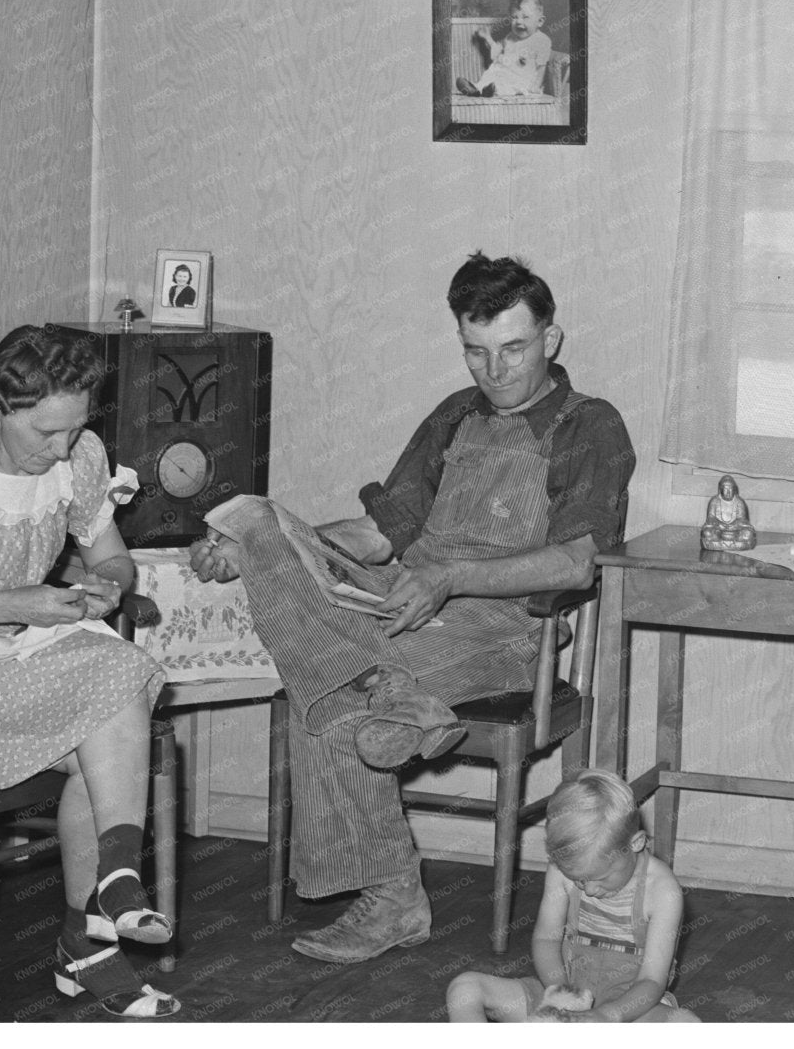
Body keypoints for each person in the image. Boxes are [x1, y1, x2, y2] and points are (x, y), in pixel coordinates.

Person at [190, 253, 635, 965]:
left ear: (551, 340)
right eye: (476, 352)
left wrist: (452, 576)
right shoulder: (454, 416)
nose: (495, 371)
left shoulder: (590, 425)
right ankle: (392, 698)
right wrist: (267, 543)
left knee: (328, 708)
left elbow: (576, 559)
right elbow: (376, 533)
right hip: (399, 609)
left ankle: (393, 888)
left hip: (507, 632)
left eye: (514, 349)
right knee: (262, 527)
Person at [0, 326, 178, 1018]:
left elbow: (111, 555)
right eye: (47, 431)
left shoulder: (80, 457)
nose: (63, 447)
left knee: (114, 676)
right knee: (112, 688)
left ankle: (106, 898)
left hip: (31, 653)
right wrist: (19, 601)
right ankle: (96, 932)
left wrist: (106, 583)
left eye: (75, 428)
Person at [445, 770, 696, 1022]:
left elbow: (652, 980)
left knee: (683, 1024)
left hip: (630, 1007)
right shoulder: (563, 868)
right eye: (579, 880)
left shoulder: (662, 891)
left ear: (636, 843)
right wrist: (562, 995)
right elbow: (546, 940)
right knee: (464, 988)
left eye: (599, 878)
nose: (587, 890)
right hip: (564, 990)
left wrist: (607, 1016)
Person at [457, 0, 553, 98]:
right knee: (491, 72)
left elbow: (541, 67)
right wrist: (488, 39)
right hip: (503, 72)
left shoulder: (542, 41)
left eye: (525, 17)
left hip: (523, 80)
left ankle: (492, 90)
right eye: (514, 17)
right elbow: (497, 53)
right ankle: (477, 88)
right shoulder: (510, 37)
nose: (519, 22)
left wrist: (536, 86)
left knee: (507, 85)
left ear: (540, 21)